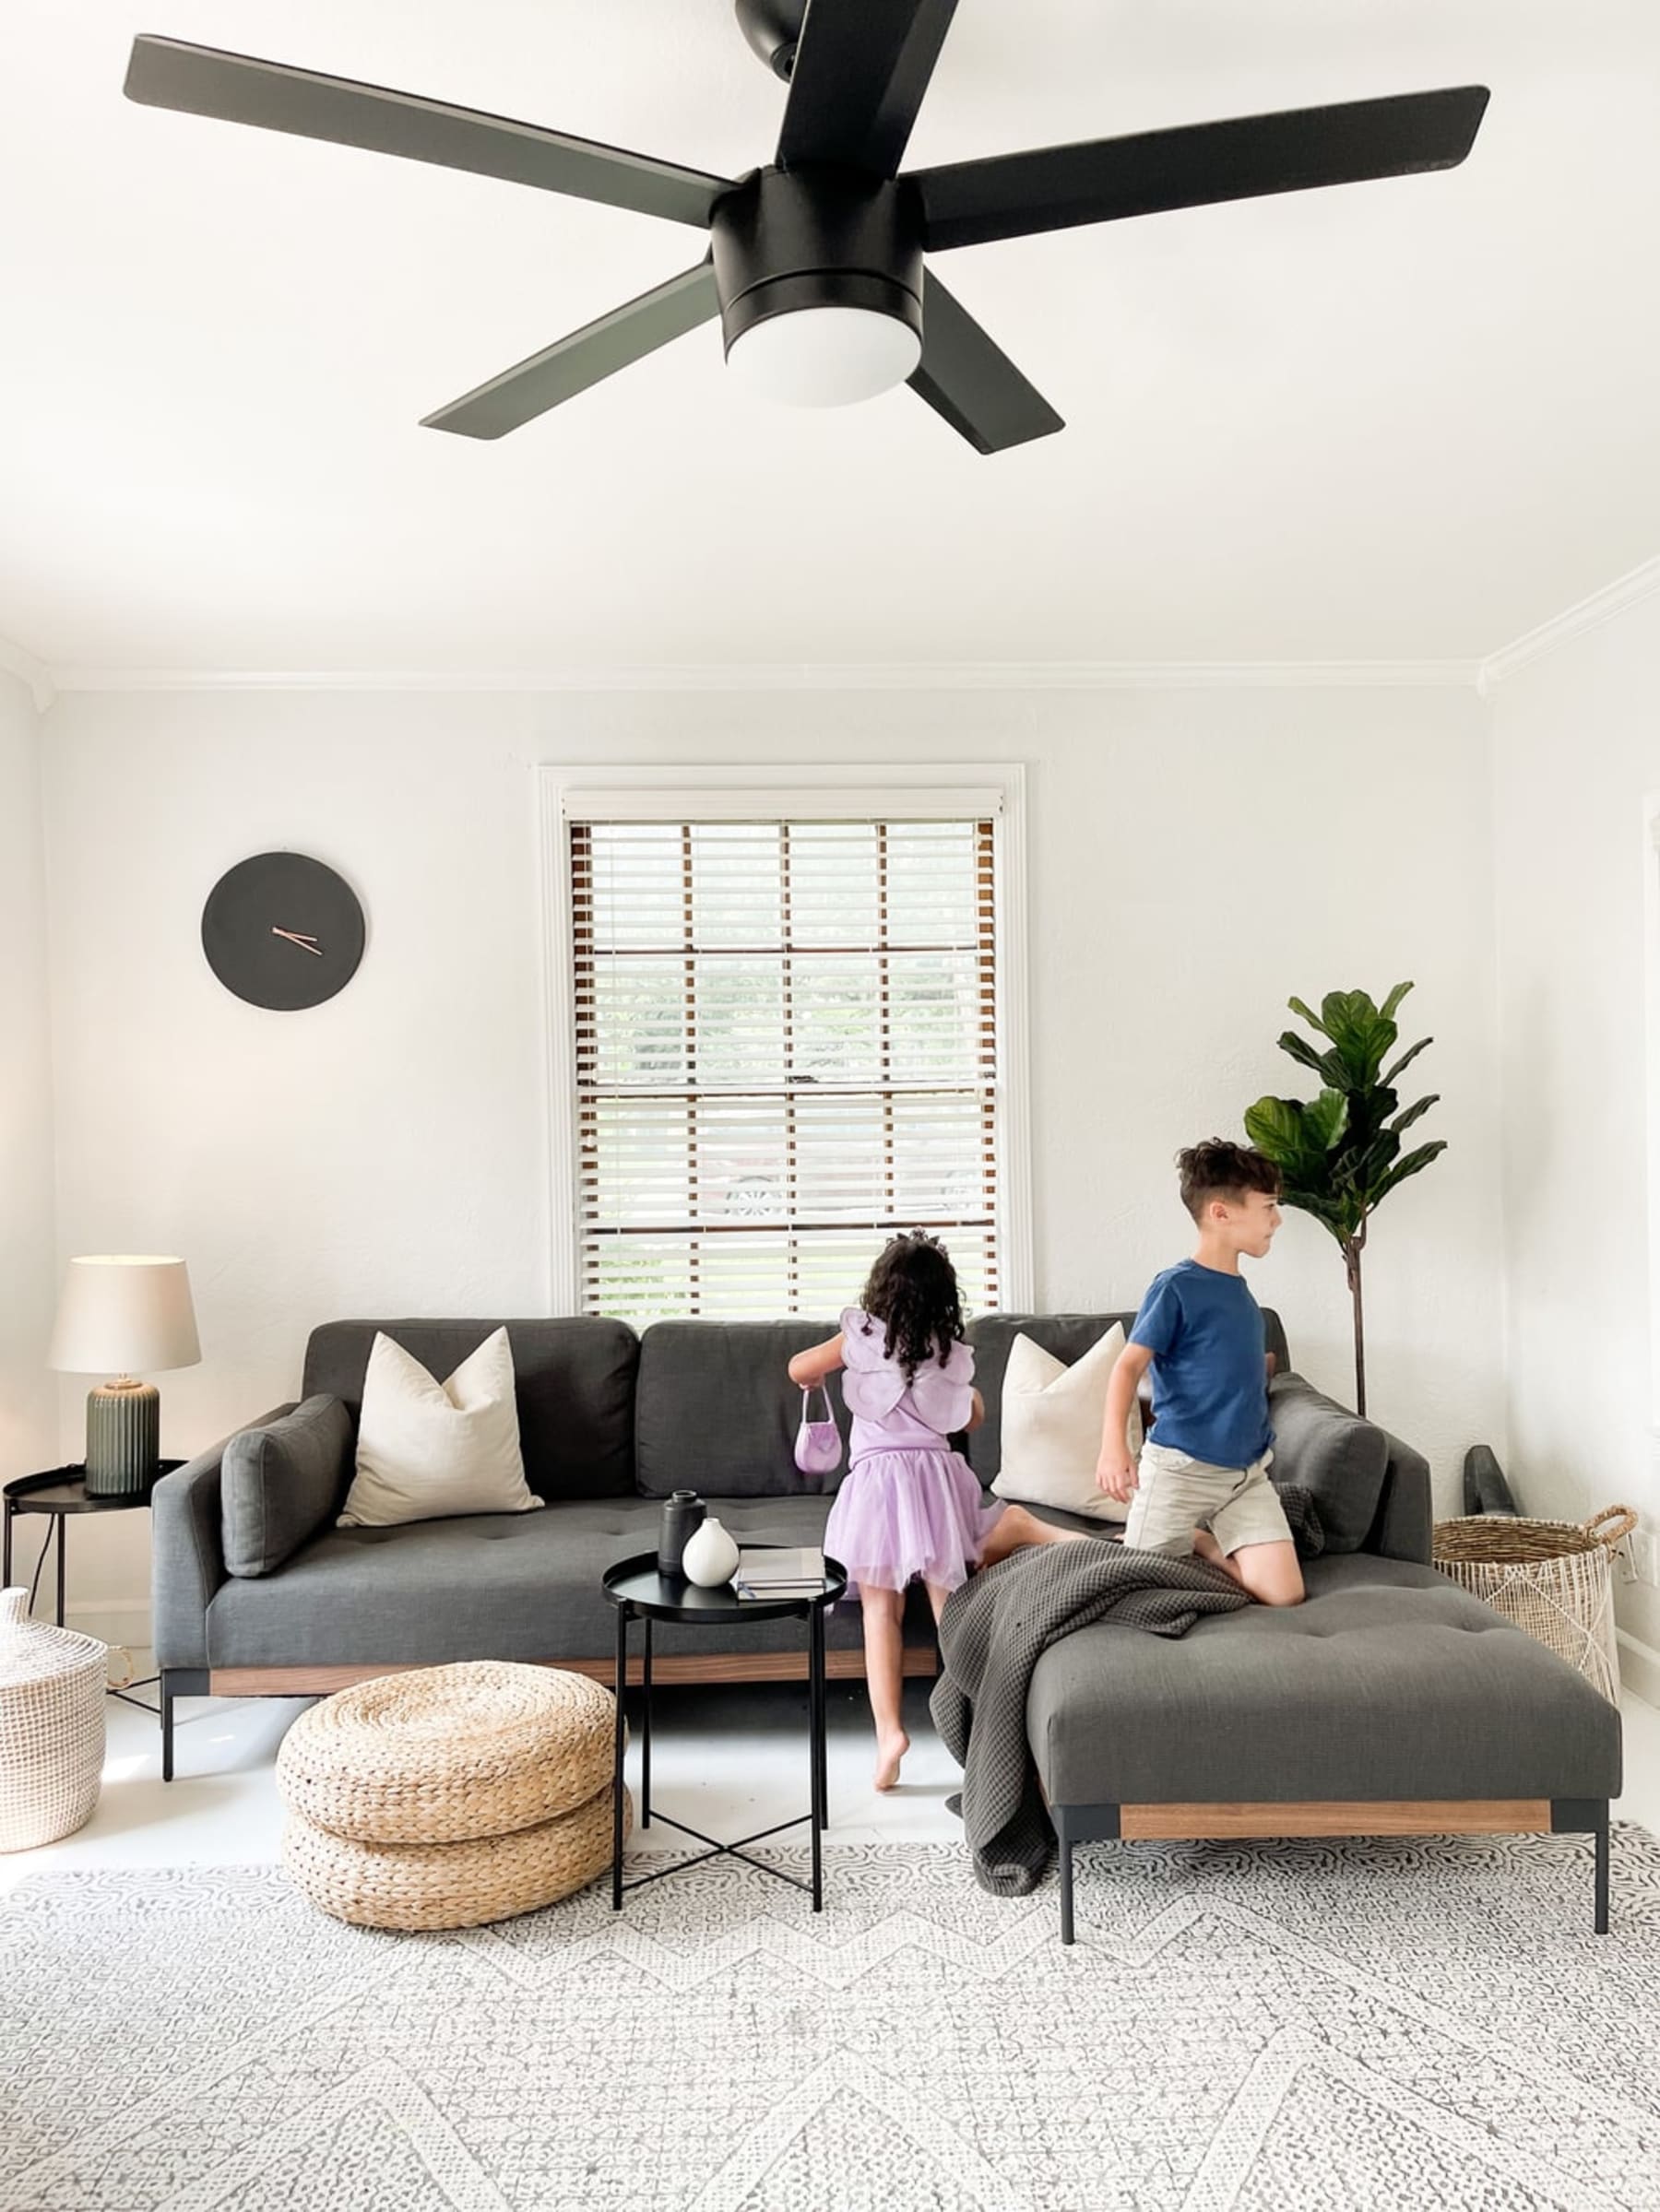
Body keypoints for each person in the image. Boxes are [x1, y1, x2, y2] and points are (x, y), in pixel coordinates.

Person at [788, 1230, 1078, 1791]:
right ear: (943, 1297)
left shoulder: (860, 1339)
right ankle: (985, 1727)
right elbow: (968, 1418)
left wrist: (822, 1373)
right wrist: (969, 1401)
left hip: (876, 1487)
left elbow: (800, 1367)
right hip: (936, 1486)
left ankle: (890, 1734)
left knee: (882, 1614)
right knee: (954, 1610)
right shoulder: (947, 1349)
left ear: (880, 1291)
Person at [1096, 1140, 1304, 1608]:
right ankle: (1033, 1530)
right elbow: (1128, 1367)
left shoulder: (1243, 1296)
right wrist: (1114, 1447)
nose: (1278, 1219)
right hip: (1180, 1472)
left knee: (1285, 1594)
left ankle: (1201, 1541)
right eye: (1269, 1206)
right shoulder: (1176, 1288)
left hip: (1245, 1478)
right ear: (1220, 1213)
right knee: (1133, 1587)